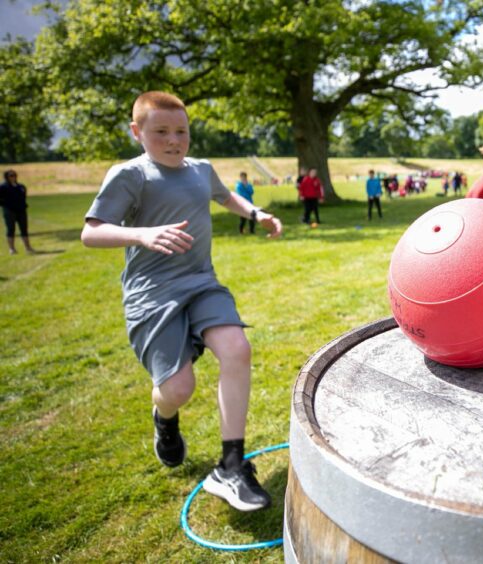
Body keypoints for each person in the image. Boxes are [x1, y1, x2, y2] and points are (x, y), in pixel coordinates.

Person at [80, 91, 282, 512]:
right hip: (152, 295)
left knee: (237, 349)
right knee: (177, 388)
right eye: (160, 132)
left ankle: (230, 465)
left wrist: (255, 214)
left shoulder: (202, 170)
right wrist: (141, 235)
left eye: (181, 131)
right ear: (137, 132)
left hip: (201, 283)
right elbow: (92, 231)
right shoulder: (130, 175)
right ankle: (165, 419)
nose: (173, 140)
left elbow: (226, 197)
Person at [1, 170, 35, 255]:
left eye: (14, 175)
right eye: (11, 175)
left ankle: (28, 248)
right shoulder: (3, 187)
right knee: (11, 229)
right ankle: (12, 249)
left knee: (24, 229)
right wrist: (6, 206)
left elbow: (23, 197)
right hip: (10, 211)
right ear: (6, 177)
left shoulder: (21, 186)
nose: (13, 177)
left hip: (21, 211)